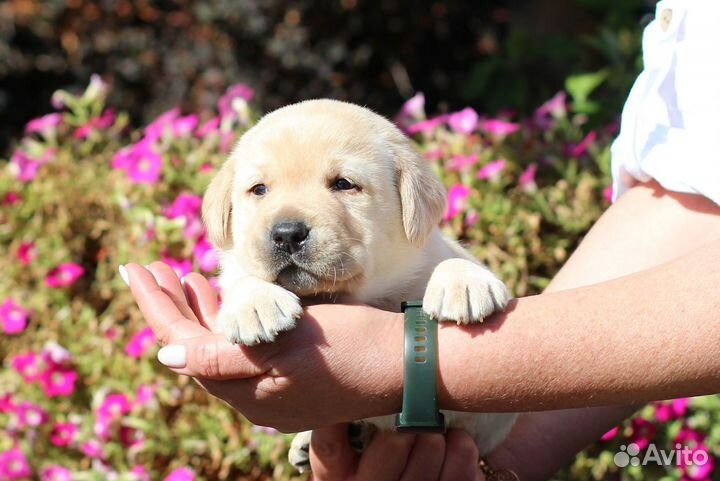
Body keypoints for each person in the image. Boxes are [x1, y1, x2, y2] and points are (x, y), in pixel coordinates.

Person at [124, 1, 720, 479]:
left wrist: (409, 361)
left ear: (415, 200)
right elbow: (690, 189)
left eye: (343, 183)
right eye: (257, 189)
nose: (289, 222)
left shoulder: (435, 263)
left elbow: (448, 287)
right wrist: (497, 467)